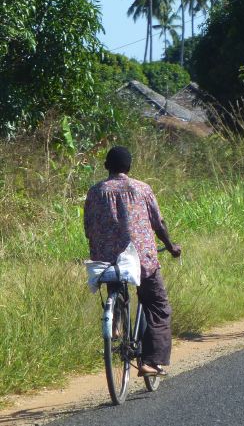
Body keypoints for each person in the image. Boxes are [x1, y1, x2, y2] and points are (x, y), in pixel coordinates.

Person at [84, 146, 181, 377]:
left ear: (106, 166)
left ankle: (116, 321)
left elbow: (88, 228)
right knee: (157, 305)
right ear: (129, 167)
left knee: (116, 286)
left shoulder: (95, 191)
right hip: (141, 258)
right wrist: (171, 247)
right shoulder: (141, 188)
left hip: (108, 261)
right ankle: (152, 362)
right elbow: (159, 224)